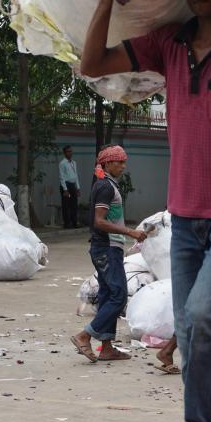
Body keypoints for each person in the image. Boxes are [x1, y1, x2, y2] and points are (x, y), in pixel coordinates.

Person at [81, 0, 211, 422]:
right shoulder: (169, 43)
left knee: (204, 316)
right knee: (190, 337)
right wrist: (105, 1)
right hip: (186, 214)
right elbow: (93, 64)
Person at [71, 145, 146, 362]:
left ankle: (106, 347)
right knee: (118, 294)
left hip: (106, 247)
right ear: (107, 163)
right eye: (119, 162)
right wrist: (130, 231)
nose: (123, 166)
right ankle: (84, 336)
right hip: (106, 247)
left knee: (107, 294)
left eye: (124, 162)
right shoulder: (105, 187)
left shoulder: (106, 184)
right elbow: (100, 221)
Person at [59, 145, 81, 228]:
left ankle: (74, 222)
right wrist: (65, 189)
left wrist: (78, 187)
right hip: (66, 186)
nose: (70, 153)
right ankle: (67, 223)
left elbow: (76, 176)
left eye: (71, 151)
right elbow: (61, 177)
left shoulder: (73, 163)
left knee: (74, 204)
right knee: (66, 205)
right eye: (68, 151)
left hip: (73, 186)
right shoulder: (62, 163)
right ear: (65, 153)